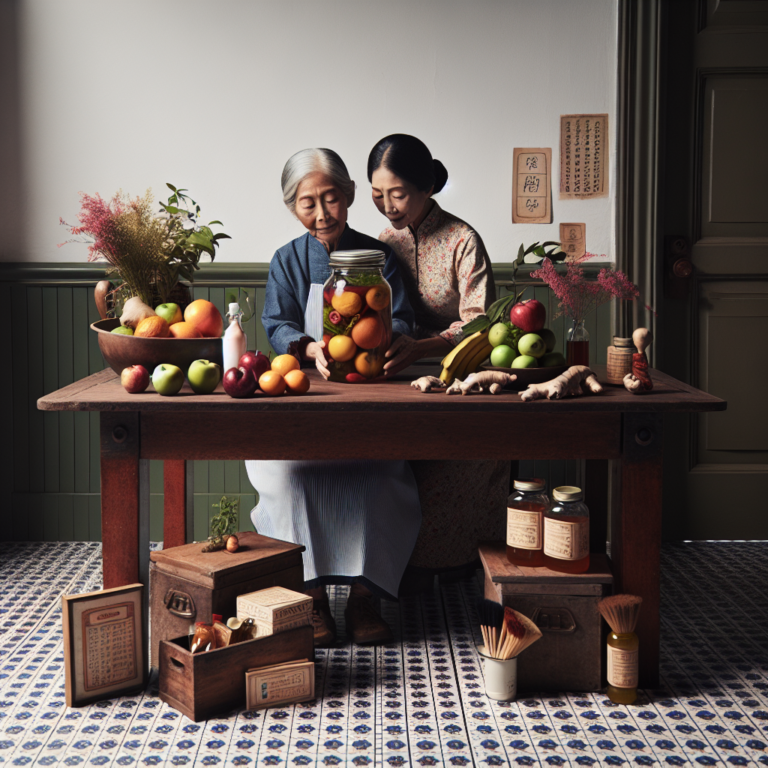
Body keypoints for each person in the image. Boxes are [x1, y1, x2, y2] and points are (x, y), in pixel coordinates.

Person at [246, 147, 420, 647]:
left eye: (331, 199)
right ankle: (313, 599)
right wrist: (308, 347)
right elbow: (277, 322)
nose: (322, 213)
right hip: (306, 393)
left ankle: (365, 599)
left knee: (379, 477)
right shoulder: (286, 260)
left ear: (349, 196)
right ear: (292, 207)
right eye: (308, 203)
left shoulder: (378, 257)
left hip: (371, 392)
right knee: (292, 478)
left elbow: (402, 317)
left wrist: (392, 338)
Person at [367, 133, 510, 576]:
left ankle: (460, 570)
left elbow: (480, 321)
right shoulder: (384, 240)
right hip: (395, 373)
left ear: (426, 187)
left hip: (461, 373)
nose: (388, 206)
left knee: (453, 469)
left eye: (398, 194)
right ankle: (389, 571)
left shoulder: (462, 239)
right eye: (377, 194)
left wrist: (423, 348)